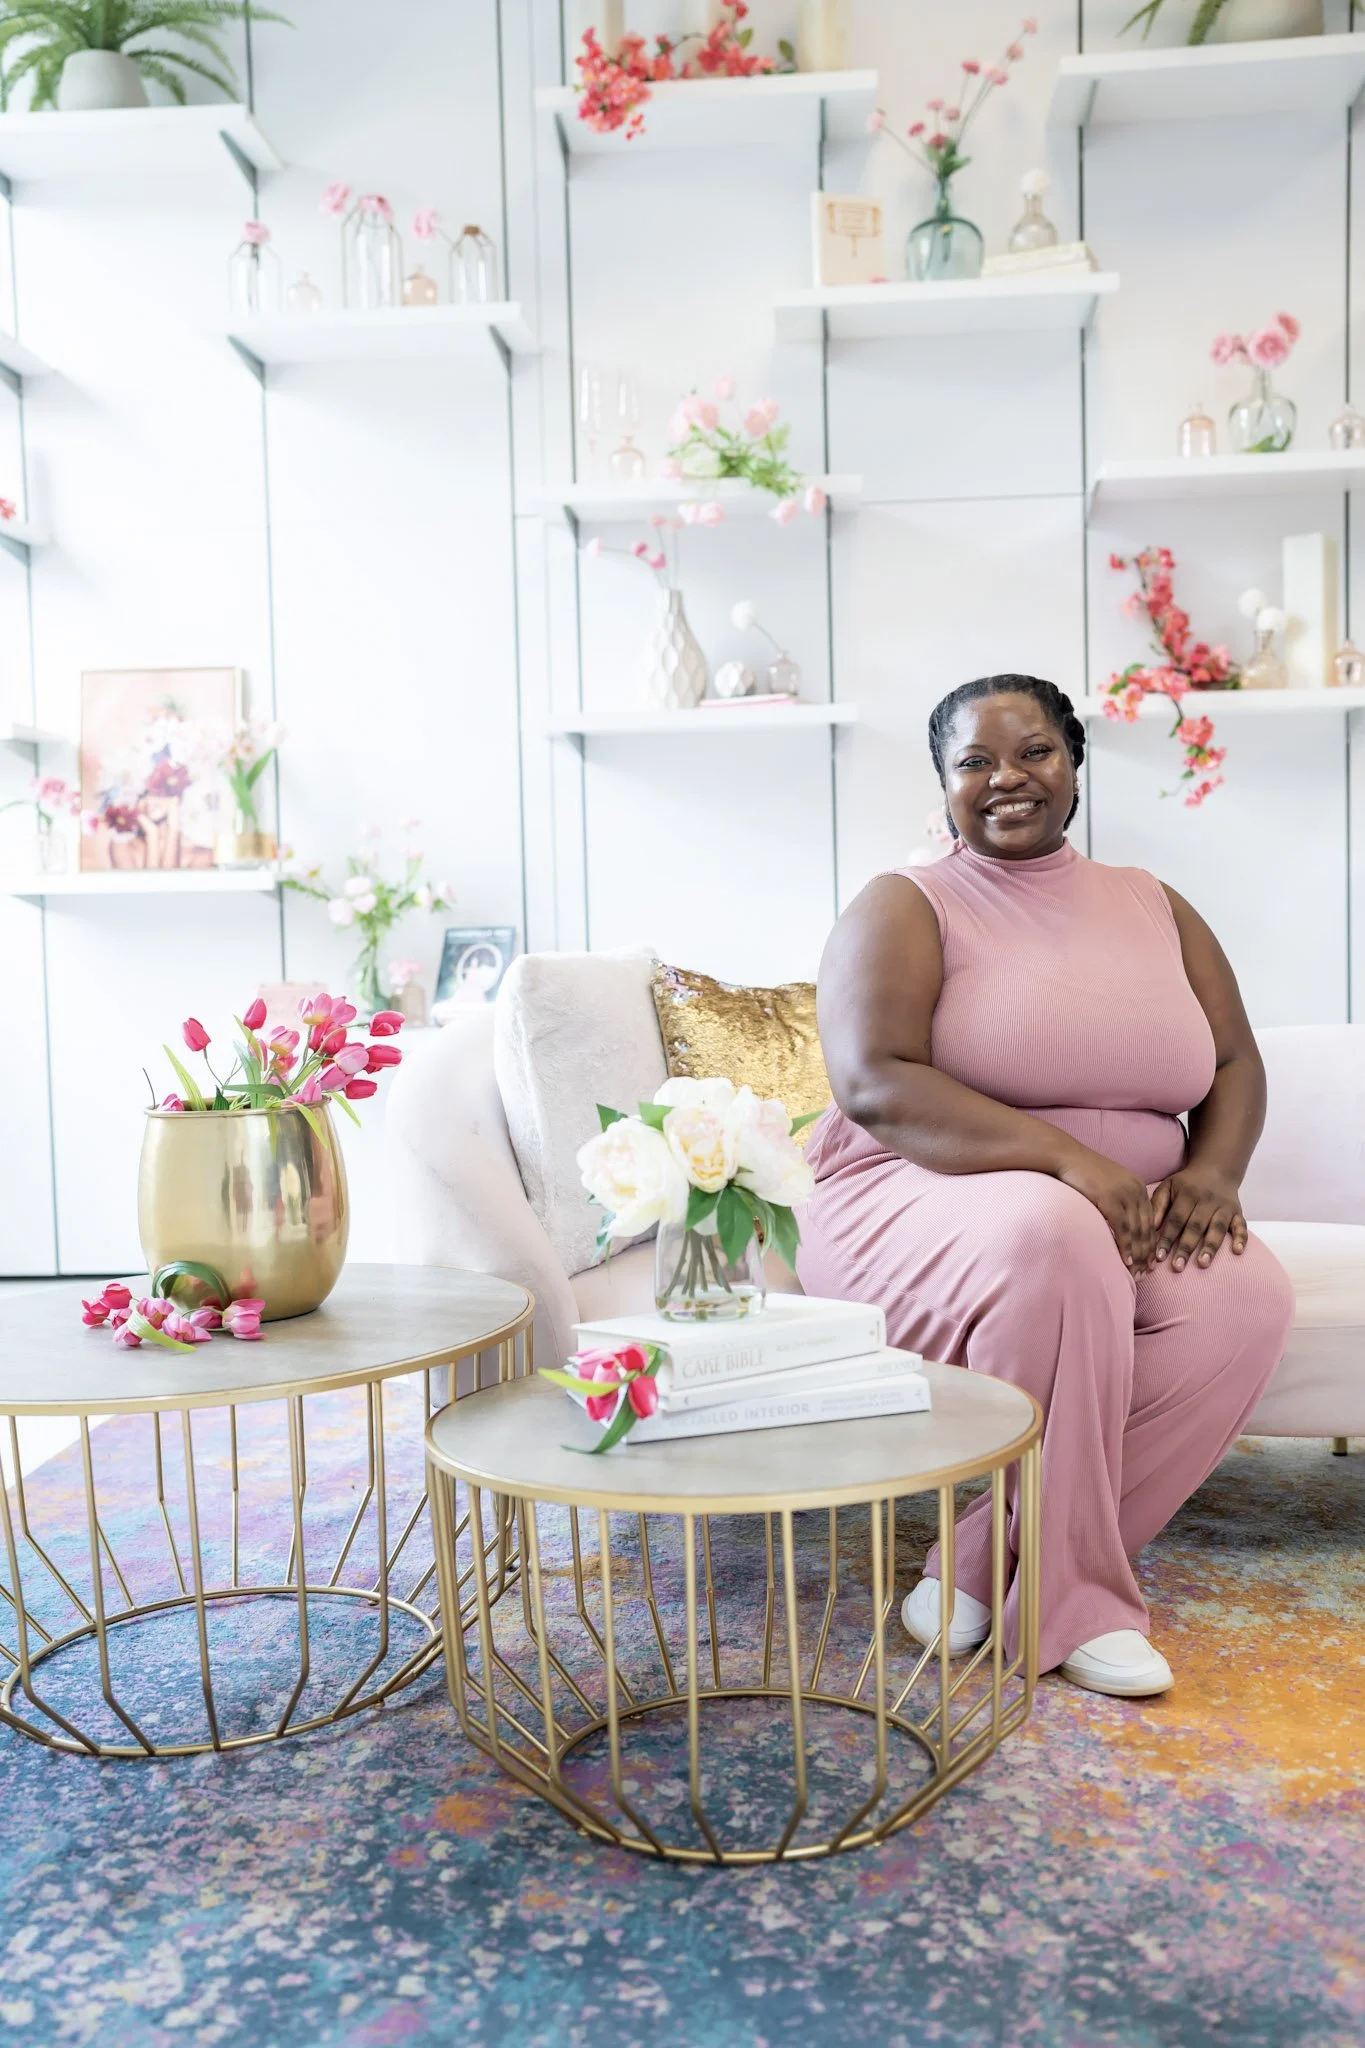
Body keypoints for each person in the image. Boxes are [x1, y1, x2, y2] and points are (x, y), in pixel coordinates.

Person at [798, 674, 1294, 1698]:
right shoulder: (908, 900)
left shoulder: (1155, 902)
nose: (1005, 778)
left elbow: (1236, 1062)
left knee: (1246, 1293)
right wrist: (1070, 1159)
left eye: (1032, 752)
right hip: (920, 1187)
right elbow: (875, 1081)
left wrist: (1211, 1172)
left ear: (1074, 763)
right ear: (944, 788)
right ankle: (1080, 1604)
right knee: (1054, 1232)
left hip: (1127, 1208)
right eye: (973, 762)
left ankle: (979, 1558)